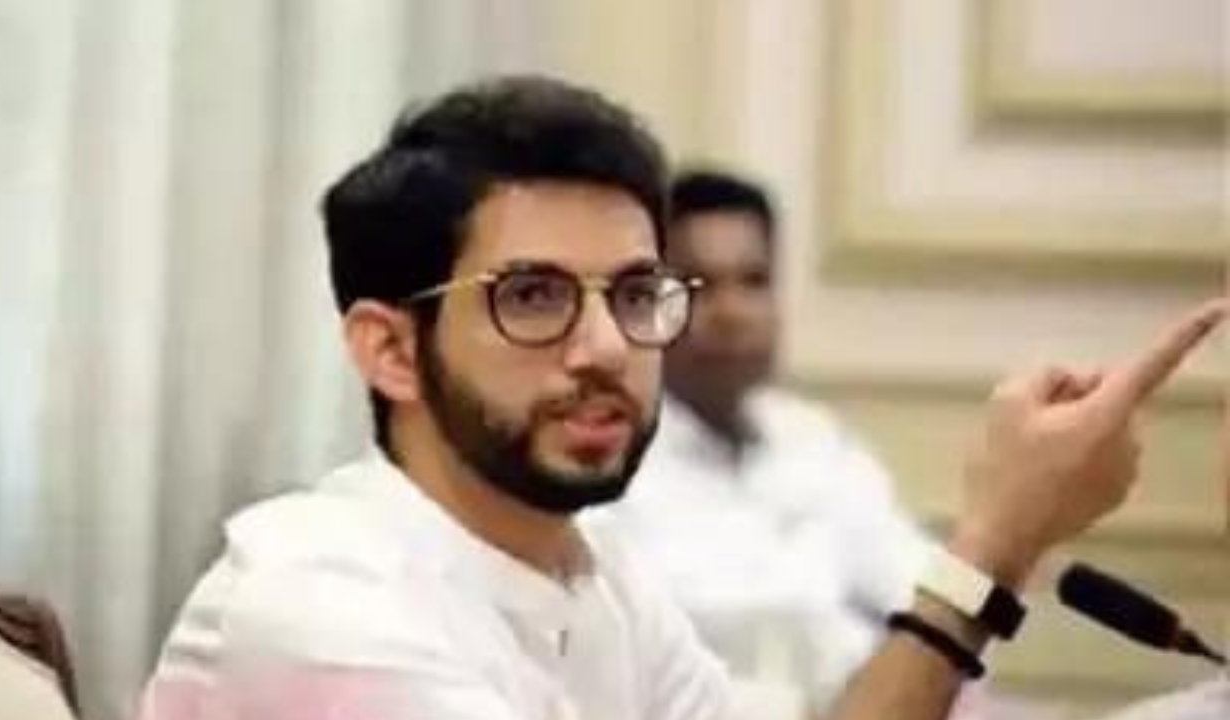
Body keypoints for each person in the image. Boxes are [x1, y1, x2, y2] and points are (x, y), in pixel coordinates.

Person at [136, 74, 1227, 720]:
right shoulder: (319, 604)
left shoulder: (594, 580)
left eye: (633, 294)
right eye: (532, 297)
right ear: (389, 350)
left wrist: (1004, 540)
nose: (606, 347)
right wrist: (991, 544)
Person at [609, 170, 929, 709]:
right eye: (700, 286)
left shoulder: (815, 441)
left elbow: (919, 591)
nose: (733, 312)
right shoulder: (609, 466)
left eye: (753, 281)